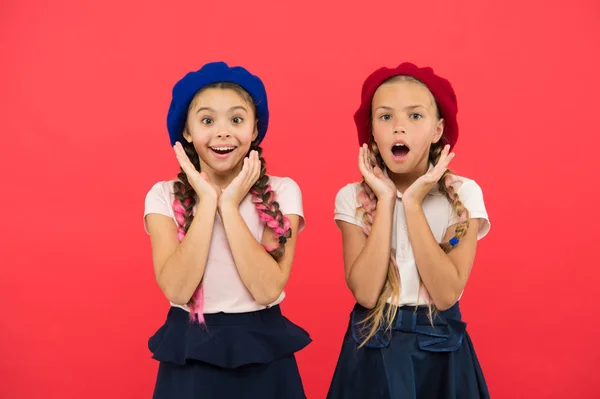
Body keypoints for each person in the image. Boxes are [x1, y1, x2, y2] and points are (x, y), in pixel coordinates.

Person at [143, 61, 311, 399]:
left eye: (236, 120)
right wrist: (207, 202)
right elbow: (177, 289)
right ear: (187, 132)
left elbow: (266, 289)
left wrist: (230, 206)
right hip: (190, 349)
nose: (223, 132)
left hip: (262, 348)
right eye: (207, 120)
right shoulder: (163, 196)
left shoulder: (283, 192)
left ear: (254, 129)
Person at [327, 62, 491, 399]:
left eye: (415, 116)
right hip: (372, 350)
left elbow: (446, 294)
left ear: (437, 130)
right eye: (385, 117)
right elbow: (367, 294)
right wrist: (387, 199)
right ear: (371, 131)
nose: (399, 127)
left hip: (442, 352)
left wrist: (413, 203)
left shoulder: (464, 193)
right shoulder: (351, 197)